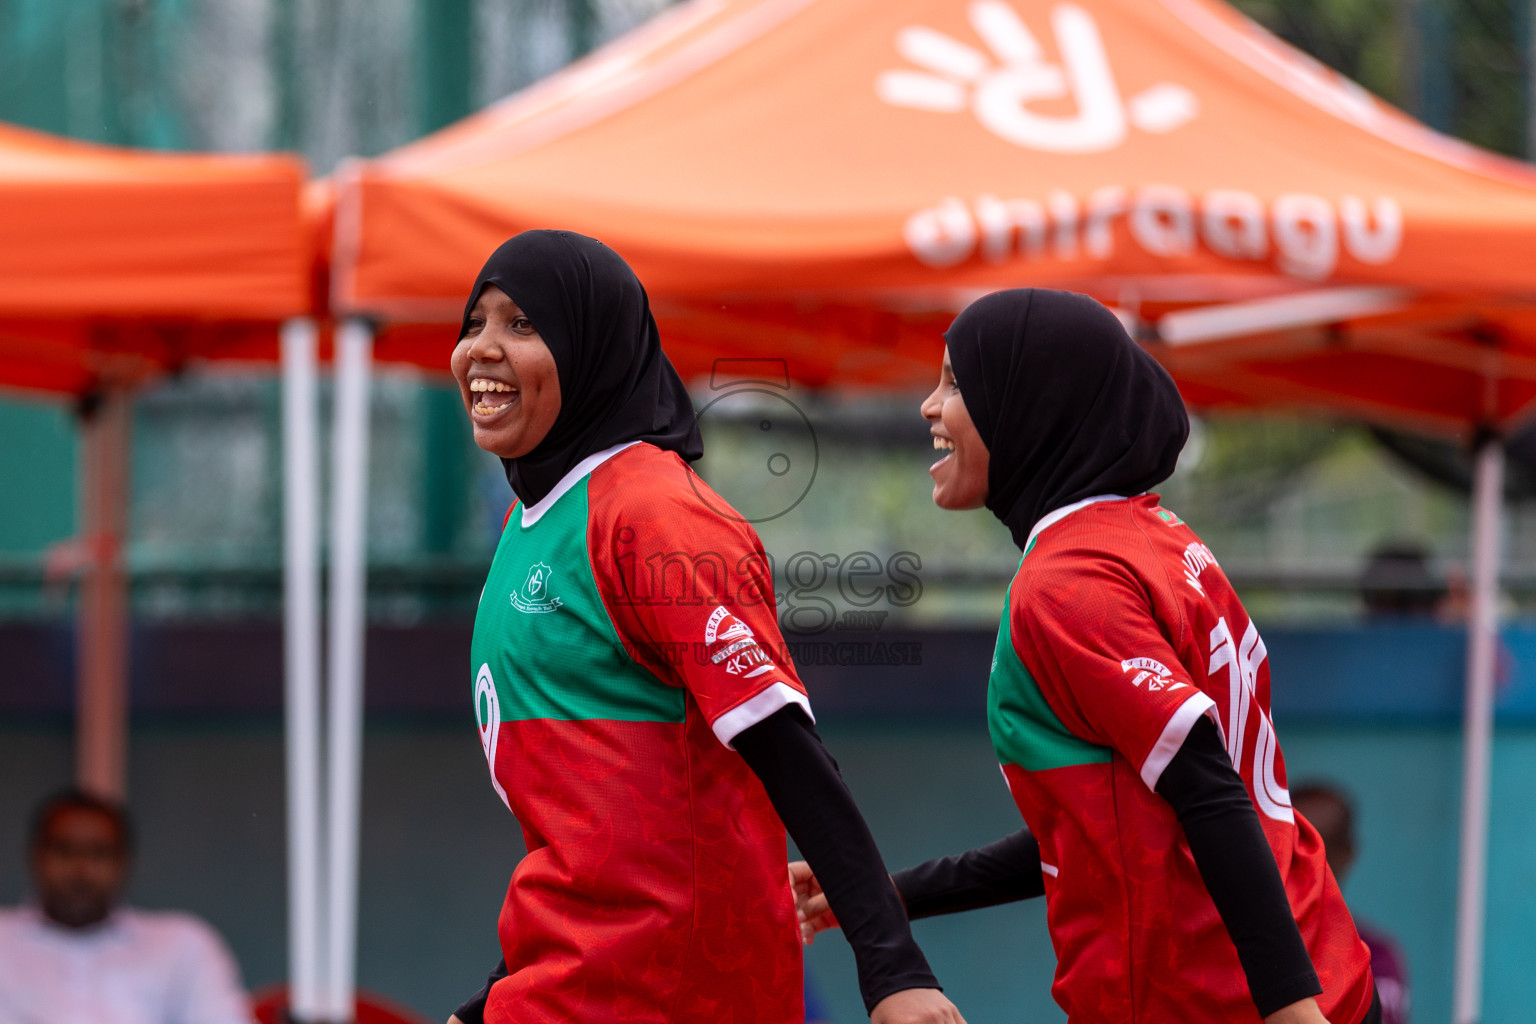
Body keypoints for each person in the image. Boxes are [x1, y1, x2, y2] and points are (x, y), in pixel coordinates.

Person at [791, 289, 1379, 1023]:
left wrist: (1289, 1012)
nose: (929, 407)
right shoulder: (1159, 535)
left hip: (1211, 1000)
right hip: (1320, 963)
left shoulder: (1067, 580)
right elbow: (1106, 828)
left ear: (1030, 403)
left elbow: (1205, 788)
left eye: (954, 382)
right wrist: (885, 893)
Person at [441, 230, 962, 1024]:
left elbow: (788, 750)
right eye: (474, 322)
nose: (481, 349)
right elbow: (592, 835)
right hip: (565, 986)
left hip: (672, 995)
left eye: (521, 324)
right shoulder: (531, 523)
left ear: (592, 346)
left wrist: (894, 971)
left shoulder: (651, 512)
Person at [0, 789, 253, 1024]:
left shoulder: (182, 945)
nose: (81, 869)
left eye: (99, 853)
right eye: (64, 850)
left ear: (125, 861)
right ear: (34, 855)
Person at [1291, 784, 1410, 1024]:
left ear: (1347, 853)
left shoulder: (1375, 959)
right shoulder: (1240, 947)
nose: (1303, 861)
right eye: (1291, 846)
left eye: (1318, 847)